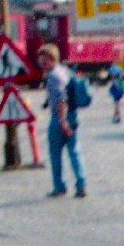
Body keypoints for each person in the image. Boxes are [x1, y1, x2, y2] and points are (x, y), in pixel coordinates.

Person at [38, 43, 86, 198]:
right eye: (41, 58)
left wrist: (62, 121)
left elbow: (61, 99)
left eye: (44, 58)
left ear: (52, 59)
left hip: (60, 118)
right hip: (73, 116)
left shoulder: (52, 76)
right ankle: (81, 184)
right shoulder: (65, 71)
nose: (41, 62)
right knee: (75, 151)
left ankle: (59, 187)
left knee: (55, 154)